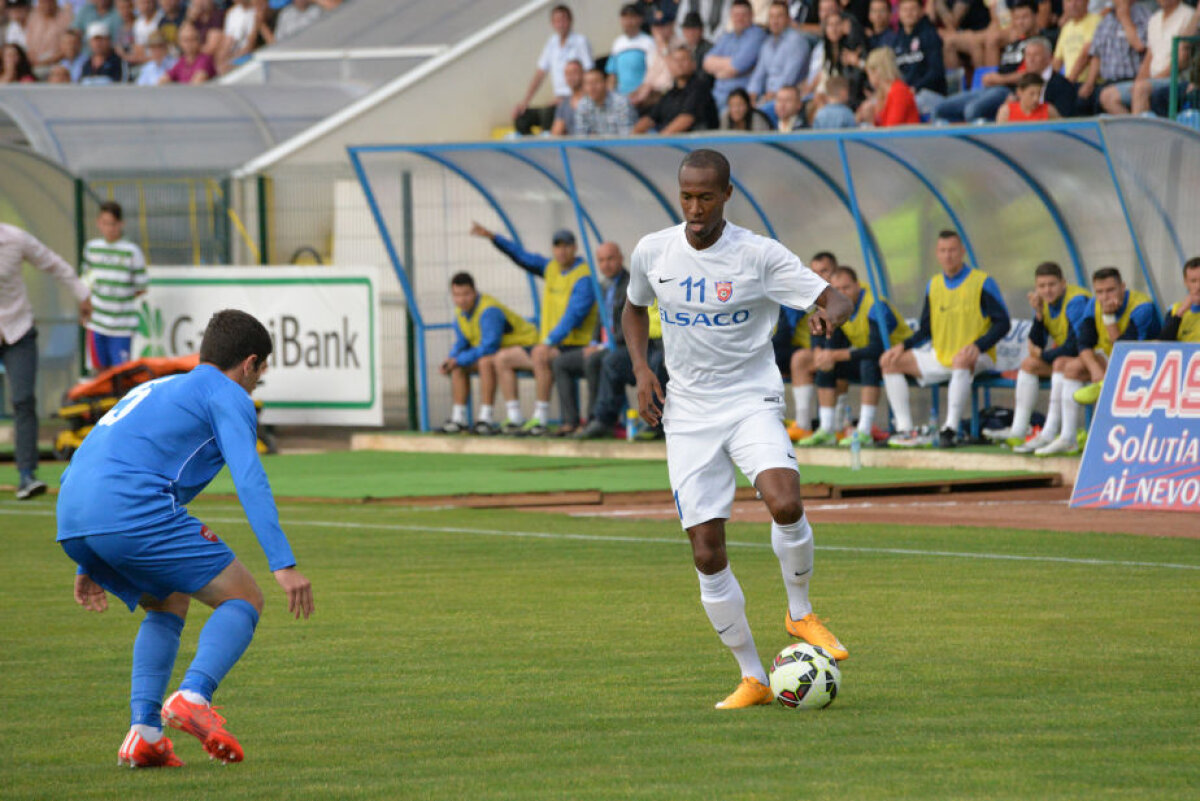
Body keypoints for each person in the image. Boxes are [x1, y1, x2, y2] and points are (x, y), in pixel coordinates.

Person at [623, 149, 852, 710]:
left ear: (727, 194)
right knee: (706, 552)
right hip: (689, 413)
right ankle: (752, 675)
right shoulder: (654, 249)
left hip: (750, 399)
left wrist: (828, 315)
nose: (695, 207)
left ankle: (800, 613)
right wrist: (642, 369)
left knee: (785, 501)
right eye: (686, 196)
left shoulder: (759, 255)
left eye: (705, 196)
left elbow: (838, 297)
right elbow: (632, 308)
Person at [56, 309, 314, 768]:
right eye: (262, 371)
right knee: (244, 598)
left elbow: (102, 456)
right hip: (129, 510)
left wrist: (88, 559)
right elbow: (250, 478)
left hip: (74, 513)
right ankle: (193, 696)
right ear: (250, 362)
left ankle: (145, 733)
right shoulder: (228, 394)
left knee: (169, 599)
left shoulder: (155, 386)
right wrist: (283, 563)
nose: (258, 382)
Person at [882, 230, 1011, 448]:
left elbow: (1003, 323)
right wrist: (902, 347)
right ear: (937, 254)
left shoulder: (982, 282)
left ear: (962, 252)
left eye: (952, 250)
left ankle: (950, 429)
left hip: (976, 358)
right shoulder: (933, 285)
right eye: (943, 251)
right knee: (888, 361)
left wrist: (978, 346)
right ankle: (905, 429)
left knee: (961, 360)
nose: (948, 255)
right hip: (941, 356)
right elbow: (926, 329)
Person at [471, 223, 598, 435]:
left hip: (574, 345)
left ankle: (540, 418)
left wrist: (548, 341)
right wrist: (494, 238)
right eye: (557, 246)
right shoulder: (550, 268)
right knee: (502, 358)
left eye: (566, 246)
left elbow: (573, 317)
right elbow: (522, 256)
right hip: (550, 343)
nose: (561, 250)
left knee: (540, 354)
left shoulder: (583, 277)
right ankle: (515, 418)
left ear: (575, 248)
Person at [0, 223, 92, 500]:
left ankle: (27, 475)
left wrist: (82, 294)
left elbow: (53, 263)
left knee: (23, 400)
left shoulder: (15, 239)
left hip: (18, 330)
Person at [1034, 267, 1160, 455]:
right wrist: (1094, 369)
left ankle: (1111, 438)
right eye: (1100, 292)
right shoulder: (1093, 304)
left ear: (1123, 287)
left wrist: (1109, 318)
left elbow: (1125, 350)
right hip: (1114, 359)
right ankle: (1067, 437)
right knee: (1069, 366)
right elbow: (1083, 343)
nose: (1105, 297)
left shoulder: (1142, 307)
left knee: (1076, 365)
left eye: (1110, 290)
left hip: (1146, 366)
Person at [796, 265, 912, 447]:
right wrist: (824, 355)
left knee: (867, 363)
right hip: (870, 357)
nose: (842, 293)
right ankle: (827, 429)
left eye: (846, 288)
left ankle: (864, 430)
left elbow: (876, 349)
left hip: (898, 357)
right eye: (837, 289)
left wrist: (834, 355)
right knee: (828, 367)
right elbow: (830, 339)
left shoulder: (875, 305)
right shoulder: (837, 307)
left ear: (857, 285)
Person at [982, 261, 1090, 451]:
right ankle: (1018, 430)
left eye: (1052, 285)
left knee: (1059, 363)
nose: (1047, 290)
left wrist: (1044, 354)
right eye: (1042, 286)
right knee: (1029, 364)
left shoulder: (1075, 302)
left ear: (1063, 283)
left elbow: (1075, 345)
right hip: (1069, 359)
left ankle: (1052, 433)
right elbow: (1036, 342)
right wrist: (1039, 315)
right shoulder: (1044, 303)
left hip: (1091, 357)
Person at [440, 272, 538, 435]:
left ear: (475, 292)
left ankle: (486, 418)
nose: (462, 299)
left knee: (485, 361)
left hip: (526, 346)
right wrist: (452, 358)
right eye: (457, 295)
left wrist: (459, 359)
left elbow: (490, 346)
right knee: (458, 366)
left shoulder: (488, 310)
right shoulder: (459, 313)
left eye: (466, 294)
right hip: (501, 351)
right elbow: (463, 341)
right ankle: (459, 418)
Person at [558, 242, 628, 436]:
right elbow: (600, 322)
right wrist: (593, 343)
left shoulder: (630, 285)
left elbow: (630, 325)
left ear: (621, 259)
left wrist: (600, 347)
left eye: (610, 259)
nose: (606, 265)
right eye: (601, 260)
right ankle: (570, 421)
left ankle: (594, 420)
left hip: (622, 346)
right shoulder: (603, 287)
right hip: (602, 346)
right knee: (561, 363)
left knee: (594, 360)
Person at [934, 0, 1038, 122]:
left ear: (1035, 17)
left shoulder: (1037, 43)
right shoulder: (1012, 42)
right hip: (990, 88)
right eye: (1017, 18)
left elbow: (1032, 75)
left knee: (971, 111)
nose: (1020, 22)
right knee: (940, 109)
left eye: (1025, 17)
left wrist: (999, 79)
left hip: (1008, 91)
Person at [1099, 0, 1197, 116]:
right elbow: (1148, 58)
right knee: (1107, 96)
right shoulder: (1154, 19)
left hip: (1176, 79)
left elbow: (1182, 60)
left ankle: (1140, 133)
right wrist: (1139, 81)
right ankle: (1131, 128)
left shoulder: (1188, 15)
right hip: (1152, 81)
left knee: (1141, 89)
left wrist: (1151, 80)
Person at [82, 201, 148, 371]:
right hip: (97, 323)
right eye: (104, 223)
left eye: (112, 224)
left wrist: (118, 299)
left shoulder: (132, 251)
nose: (108, 228)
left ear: (120, 224)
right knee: (100, 373)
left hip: (122, 326)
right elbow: (85, 282)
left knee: (120, 374)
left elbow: (141, 287)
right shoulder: (91, 249)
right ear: (98, 223)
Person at [513, 4, 594, 135]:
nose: (560, 24)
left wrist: (571, 97)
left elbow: (589, 74)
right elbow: (540, 74)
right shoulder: (551, 43)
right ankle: (535, 150)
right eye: (557, 21)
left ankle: (549, 150)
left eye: (563, 20)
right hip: (556, 100)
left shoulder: (580, 42)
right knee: (522, 119)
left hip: (574, 100)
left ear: (570, 20)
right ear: (552, 23)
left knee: (548, 115)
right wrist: (525, 102)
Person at [784, 250, 838, 438]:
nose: (818, 277)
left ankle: (837, 425)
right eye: (814, 272)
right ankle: (803, 425)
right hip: (820, 352)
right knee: (799, 359)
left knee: (829, 359)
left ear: (835, 271)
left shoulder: (844, 294)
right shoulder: (807, 296)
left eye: (824, 271)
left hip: (849, 352)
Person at [633, 46, 720, 132]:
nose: (679, 64)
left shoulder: (700, 88)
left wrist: (660, 141)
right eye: (675, 61)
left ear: (693, 64)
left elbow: (686, 119)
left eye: (683, 60)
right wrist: (635, 134)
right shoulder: (670, 93)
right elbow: (650, 118)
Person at [703, 0, 768, 108]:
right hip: (716, 96)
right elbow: (706, 62)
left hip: (740, 99)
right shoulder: (727, 36)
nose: (739, 19)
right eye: (736, 15)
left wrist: (719, 68)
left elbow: (736, 67)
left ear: (751, 16)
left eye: (743, 15)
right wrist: (730, 63)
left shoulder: (757, 35)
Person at [889, 0, 947, 118]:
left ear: (921, 11)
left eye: (912, 9)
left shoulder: (930, 36)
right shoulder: (896, 41)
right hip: (904, 94)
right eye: (905, 10)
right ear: (899, 14)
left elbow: (936, 71)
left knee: (902, 105)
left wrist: (916, 88)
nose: (909, 14)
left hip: (929, 93)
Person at [746, 0, 811, 106]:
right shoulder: (767, 44)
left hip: (788, 98)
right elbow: (758, 74)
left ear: (788, 19)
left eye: (779, 16)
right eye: (771, 17)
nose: (775, 21)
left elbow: (789, 78)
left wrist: (771, 96)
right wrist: (751, 94)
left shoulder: (796, 41)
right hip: (767, 97)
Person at [858, 46, 920, 125]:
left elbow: (891, 129)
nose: (868, 79)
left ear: (877, 72)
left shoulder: (899, 91)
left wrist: (870, 120)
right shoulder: (882, 94)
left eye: (869, 74)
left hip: (906, 137)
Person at [608, 3, 656, 96]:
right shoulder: (617, 43)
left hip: (643, 96)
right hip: (621, 99)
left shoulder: (649, 42)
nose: (628, 22)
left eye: (631, 17)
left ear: (640, 19)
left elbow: (652, 72)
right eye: (624, 18)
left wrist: (641, 92)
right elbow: (612, 74)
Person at [574, 66, 637, 135]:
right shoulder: (582, 105)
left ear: (605, 83)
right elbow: (581, 136)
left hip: (622, 145)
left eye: (596, 82)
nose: (592, 87)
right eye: (588, 83)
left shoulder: (621, 103)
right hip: (594, 145)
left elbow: (626, 136)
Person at [1160, 257, 1200, 342]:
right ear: (1186, 282)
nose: (1198, 286)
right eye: (1193, 281)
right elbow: (1163, 344)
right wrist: (1180, 313)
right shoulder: (1174, 310)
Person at [24, 0, 73, 69]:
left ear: (55, 2)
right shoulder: (33, 17)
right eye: (43, 3)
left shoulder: (66, 18)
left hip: (57, 64)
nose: (46, 6)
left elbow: (68, 48)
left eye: (49, 2)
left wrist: (44, 62)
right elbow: (28, 44)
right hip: (34, 63)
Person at [995, 71, 1060, 120]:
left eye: (1039, 93)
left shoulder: (1049, 111)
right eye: (1032, 94)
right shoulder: (1006, 112)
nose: (1036, 98)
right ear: (1020, 92)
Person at [548, 59, 586, 136]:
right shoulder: (564, 104)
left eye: (574, 72)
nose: (571, 77)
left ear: (583, 73)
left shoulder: (594, 99)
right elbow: (556, 134)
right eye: (567, 74)